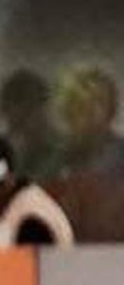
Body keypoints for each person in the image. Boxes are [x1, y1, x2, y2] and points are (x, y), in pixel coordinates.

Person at [51, 65, 124, 242]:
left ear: (110, 110)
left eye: (95, 104)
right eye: (76, 105)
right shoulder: (55, 162)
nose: (84, 114)